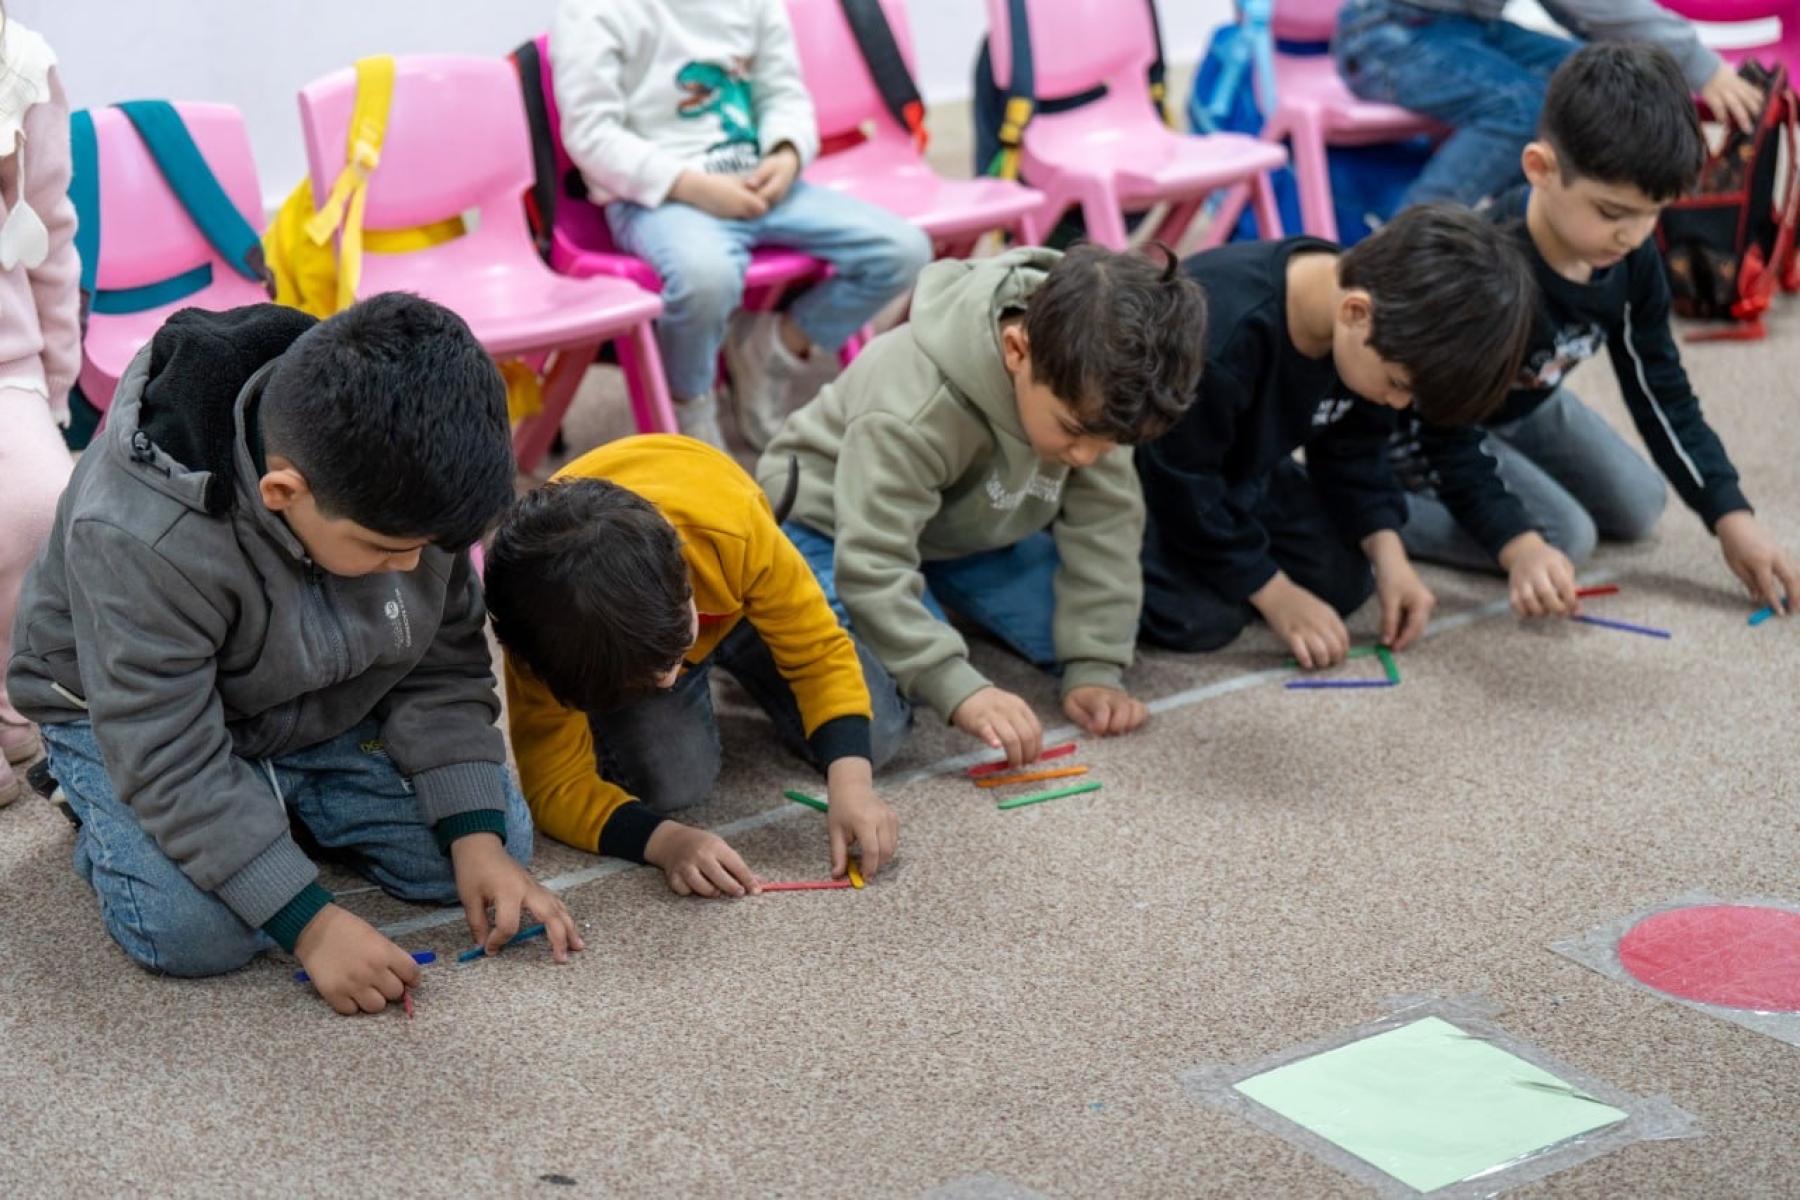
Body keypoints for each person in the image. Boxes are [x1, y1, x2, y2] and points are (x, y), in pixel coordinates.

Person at [7, 296, 580, 1013]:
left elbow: (443, 664)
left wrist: (478, 841)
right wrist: (310, 925)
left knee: (492, 840)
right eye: (386, 551)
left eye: (426, 550)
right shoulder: (141, 533)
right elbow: (166, 748)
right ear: (283, 492)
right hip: (132, 720)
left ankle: (267, 806)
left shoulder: (409, 495)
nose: (409, 569)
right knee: (192, 933)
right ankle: (96, 794)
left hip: (316, 693)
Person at [1394, 43, 1800, 619]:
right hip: (1431, 423)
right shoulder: (1489, 269)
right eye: (1612, 213)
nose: (1633, 235)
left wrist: (1732, 515)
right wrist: (1519, 545)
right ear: (1540, 169)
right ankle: (1372, 508)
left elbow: (1661, 389)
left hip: (1524, 403)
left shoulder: (1631, 257)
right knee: (1565, 535)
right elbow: (1444, 431)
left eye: (1653, 212)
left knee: (1641, 503)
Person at [759, 245, 1207, 766]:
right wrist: (956, 683)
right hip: (827, 526)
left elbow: (1105, 526)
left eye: (1108, 445)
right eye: (1073, 433)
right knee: (877, 718)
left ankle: (930, 598)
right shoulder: (913, 406)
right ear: (1017, 351)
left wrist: (1095, 666)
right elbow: (872, 563)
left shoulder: (1099, 386)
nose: (1087, 458)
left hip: (959, 533)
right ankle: (759, 627)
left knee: (1096, 631)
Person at [485, 434, 907, 894]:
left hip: (741, 602)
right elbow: (555, 784)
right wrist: (666, 841)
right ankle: (682, 665)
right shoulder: (542, 634)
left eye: (677, 654)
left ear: (685, 580)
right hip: (633, 633)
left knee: (875, 736)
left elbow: (819, 650)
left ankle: (740, 653)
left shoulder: (731, 527)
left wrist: (852, 784)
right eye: (647, 681)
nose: (670, 678)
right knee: (675, 783)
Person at [1137, 205, 1536, 665]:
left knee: (1344, 580)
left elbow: (1355, 451)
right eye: (1398, 385)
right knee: (1202, 620)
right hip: (1151, 476)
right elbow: (1181, 481)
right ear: (1355, 312)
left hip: (1244, 468)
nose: (1398, 403)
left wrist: (1390, 556)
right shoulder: (1224, 333)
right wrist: (1274, 592)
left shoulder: (1374, 323)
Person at [551, 0, 932, 449]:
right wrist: (691, 186)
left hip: (762, 183)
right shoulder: (592, 13)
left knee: (904, 250)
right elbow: (591, 133)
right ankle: (689, 400)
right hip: (661, 199)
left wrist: (786, 154)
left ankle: (771, 348)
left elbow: (783, 94)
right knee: (705, 278)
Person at [1333, 0, 1763, 208]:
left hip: (1467, 26)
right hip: (1386, 31)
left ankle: (1532, 239)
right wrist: (1701, 65)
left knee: (1594, 77)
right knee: (1522, 107)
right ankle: (1403, 255)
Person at [0, 13, 77, 808]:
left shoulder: (20, 62)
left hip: (6, 360)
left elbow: (50, 238)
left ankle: (14, 692)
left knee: (39, 506)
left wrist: (55, 384)